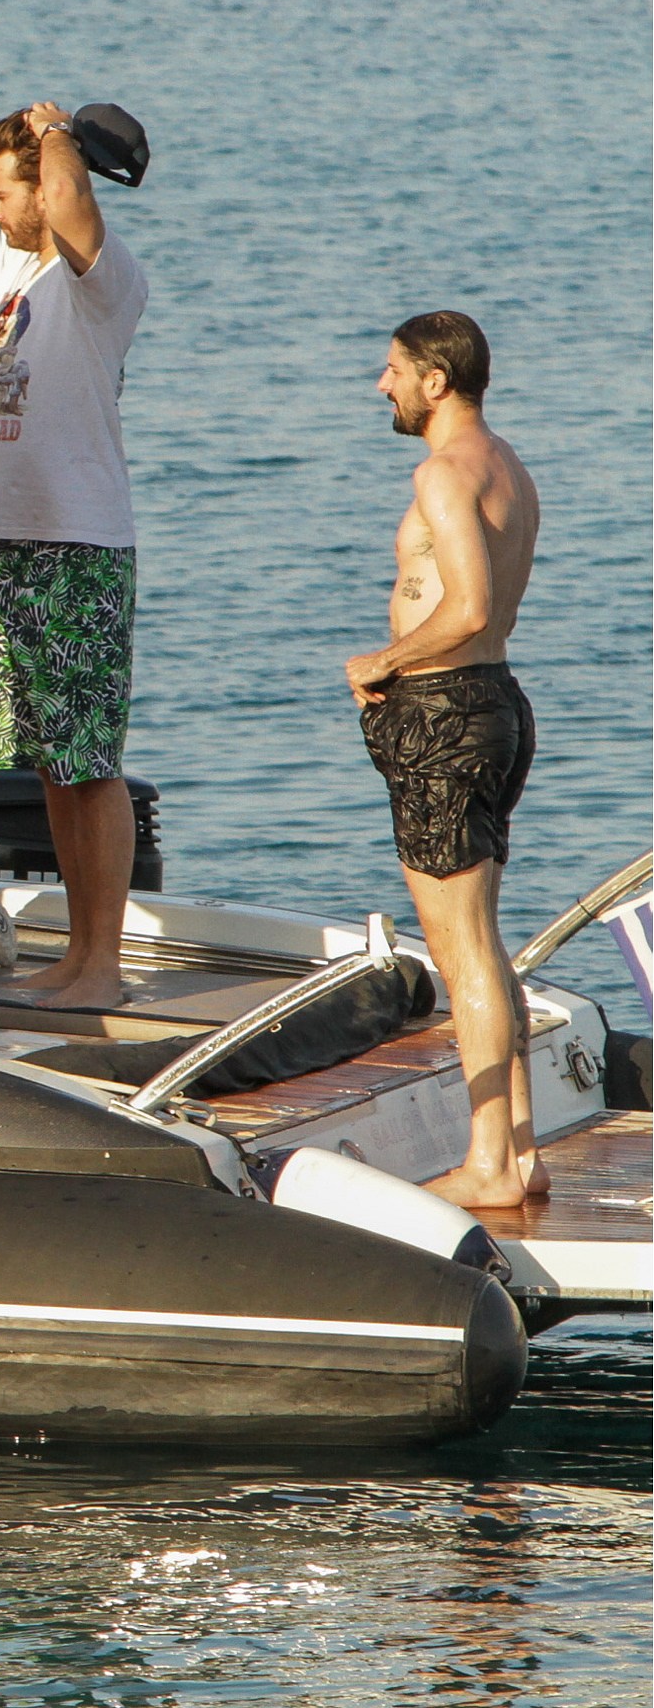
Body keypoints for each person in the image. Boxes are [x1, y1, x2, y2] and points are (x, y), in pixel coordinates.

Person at [0, 102, 150, 1010]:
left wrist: (51, 139)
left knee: (92, 763)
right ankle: (78, 957)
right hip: (7, 542)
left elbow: (75, 203)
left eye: (10, 195)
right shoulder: (8, 264)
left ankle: (104, 962)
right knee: (50, 761)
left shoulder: (104, 278)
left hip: (80, 538)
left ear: (50, 187)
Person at [347, 312, 541, 1210]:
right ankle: (520, 1153)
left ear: (436, 380)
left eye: (392, 370)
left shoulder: (443, 473)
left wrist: (380, 662)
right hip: (495, 705)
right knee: (484, 946)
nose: (380, 385)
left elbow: (465, 608)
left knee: (461, 955)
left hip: (445, 716)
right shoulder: (508, 465)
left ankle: (490, 1164)